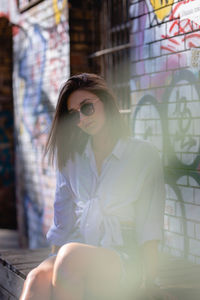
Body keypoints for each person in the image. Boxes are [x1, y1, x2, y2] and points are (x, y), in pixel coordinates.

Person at [20, 73, 167, 300]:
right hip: (76, 254)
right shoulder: (71, 159)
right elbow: (63, 223)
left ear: (105, 102)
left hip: (124, 256)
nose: (82, 119)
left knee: (71, 254)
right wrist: (54, 265)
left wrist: (151, 281)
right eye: (74, 115)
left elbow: (150, 225)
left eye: (87, 108)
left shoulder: (142, 155)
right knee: (37, 278)